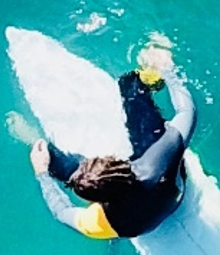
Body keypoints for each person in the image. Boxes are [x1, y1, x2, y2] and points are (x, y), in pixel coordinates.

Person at [25, 41, 194, 240]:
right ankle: (154, 69)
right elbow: (187, 111)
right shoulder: (157, 161)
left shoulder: (97, 223)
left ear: (93, 202)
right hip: (172, 193)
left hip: (142, 226)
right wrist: (169, 71)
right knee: (130, 86)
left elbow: (60, 211)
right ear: (116, 161)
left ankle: (30, 140)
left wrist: (42, 173)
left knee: (52, 161)